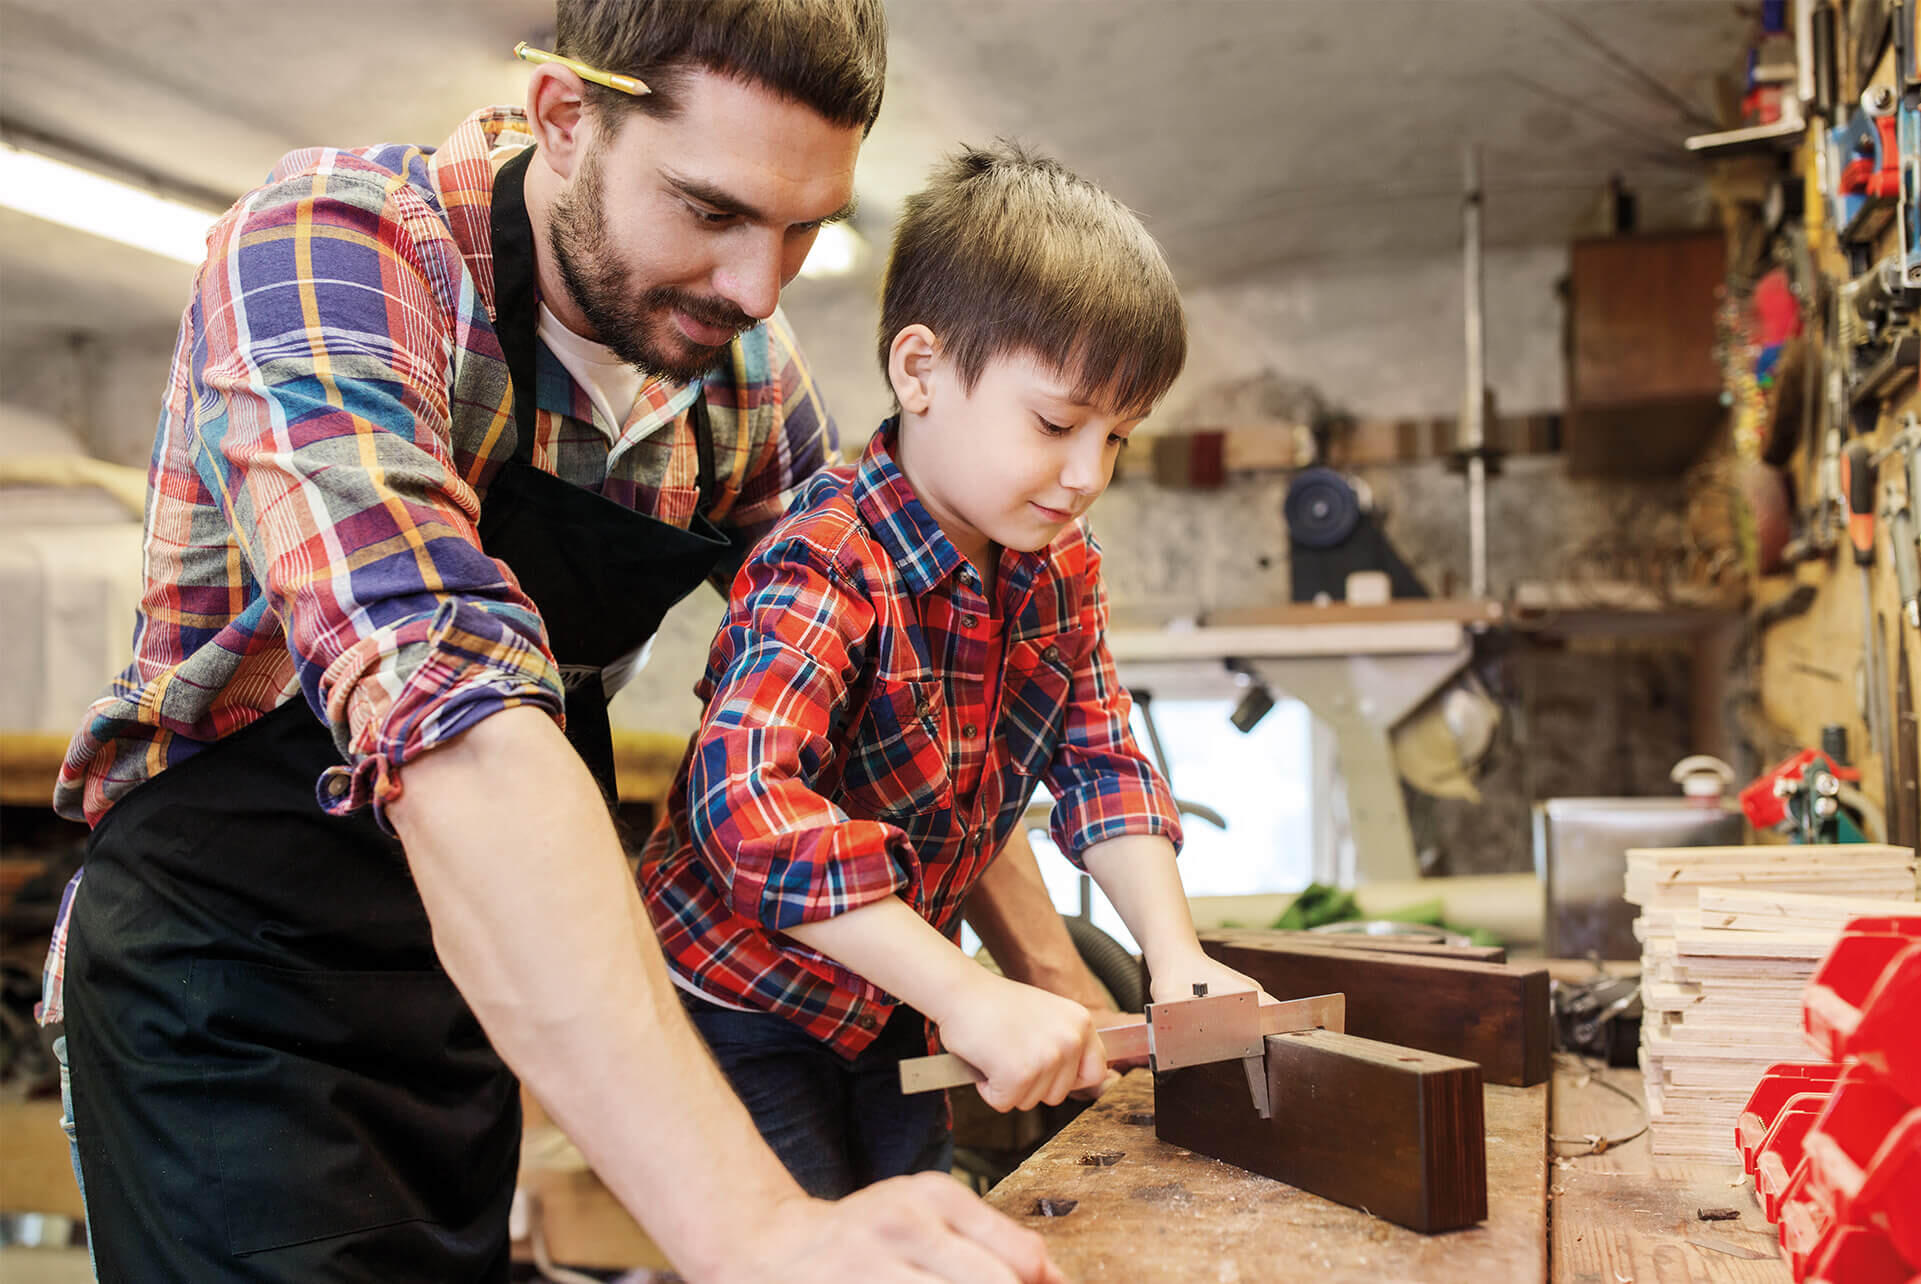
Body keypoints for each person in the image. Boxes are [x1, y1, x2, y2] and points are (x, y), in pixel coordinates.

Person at [40, 3, 1067, 1279]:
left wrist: (1046, 979)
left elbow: (897, 688)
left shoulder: (743, 378)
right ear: (566, 118)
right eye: (711, 210)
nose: (757, 286)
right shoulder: (334, 250)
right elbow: (449, 713)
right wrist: (754, 1227)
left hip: (475, 980)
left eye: (803, 229)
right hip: (232, 981)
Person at [639, 142, 1266, 1197]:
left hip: (890, 1005)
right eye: (1057, 423)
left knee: (917, 1218)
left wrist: (1177, 960)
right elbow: (746, 807)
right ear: (920, 369)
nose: (1087, 474)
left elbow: (1102, 762)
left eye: (1118, 437)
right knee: (808, 1252)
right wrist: (965, 993)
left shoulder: (1057, 566)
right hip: (738, 1006)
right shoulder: (826, 559)